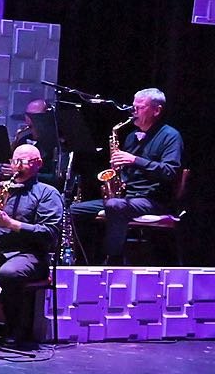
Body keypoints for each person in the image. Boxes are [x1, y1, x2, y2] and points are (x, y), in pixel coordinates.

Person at [0, 144, 62, 345]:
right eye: (15, 161)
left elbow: (49, 234)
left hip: (30, 254)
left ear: (38, 164)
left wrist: (12, 224)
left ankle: (15, 328)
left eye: (23, 162)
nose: (17, 166)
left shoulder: (47, 193)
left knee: (8, 274)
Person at [68, 88, 183, 264]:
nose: (133, 111)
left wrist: (135, 160)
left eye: (139, 107)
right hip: (128, 198)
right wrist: (117, 172)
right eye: (133, 106)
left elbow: (170, 171)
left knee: (115, 205)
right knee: (75, 209)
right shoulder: (130, 137)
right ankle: (84, 260)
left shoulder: (170, 136)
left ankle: (113, 259)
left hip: (154, 200)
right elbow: (127, 173)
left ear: (157, 110)